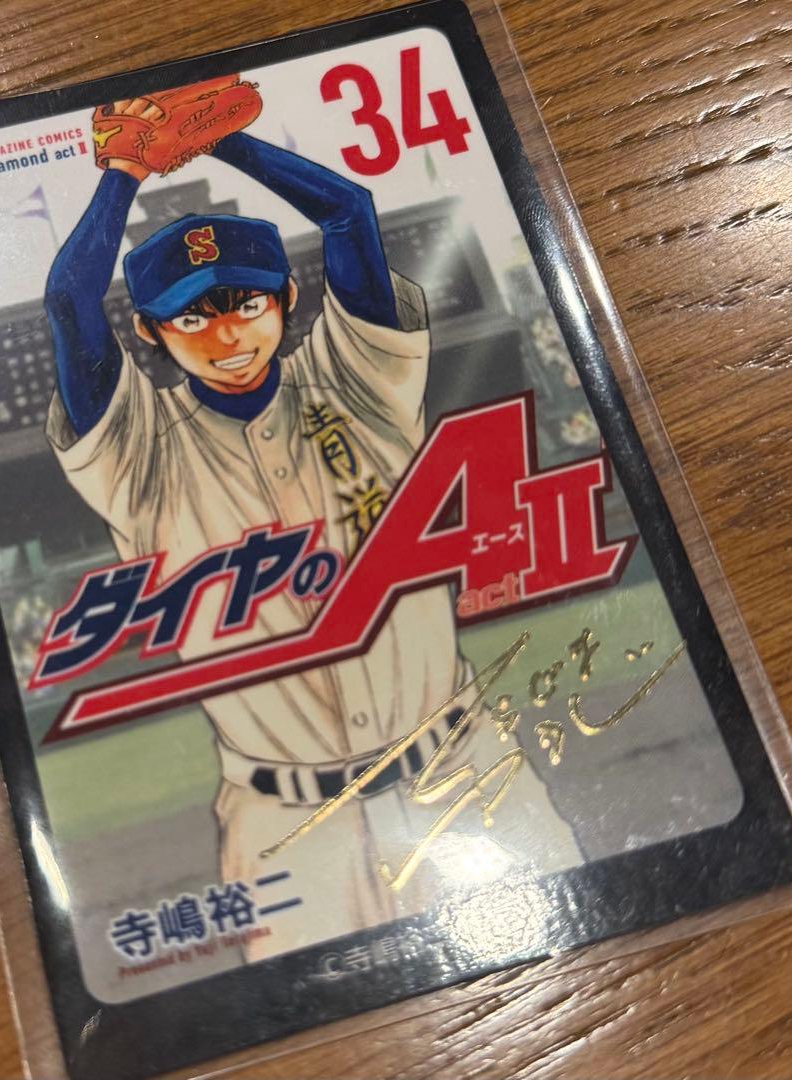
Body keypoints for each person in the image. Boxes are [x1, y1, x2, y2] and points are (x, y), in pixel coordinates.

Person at [44, 100, 582, 960]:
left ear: (287, 298)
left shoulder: (360, 378)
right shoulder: (136, 454)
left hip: (460, 770)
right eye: (191, 316)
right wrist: (123, 173)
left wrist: (224, 139)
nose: (226, 333)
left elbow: (348, 212)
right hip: (287, 828)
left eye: (245, 302)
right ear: (148, 331)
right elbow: (71, 300)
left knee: (569, 952)